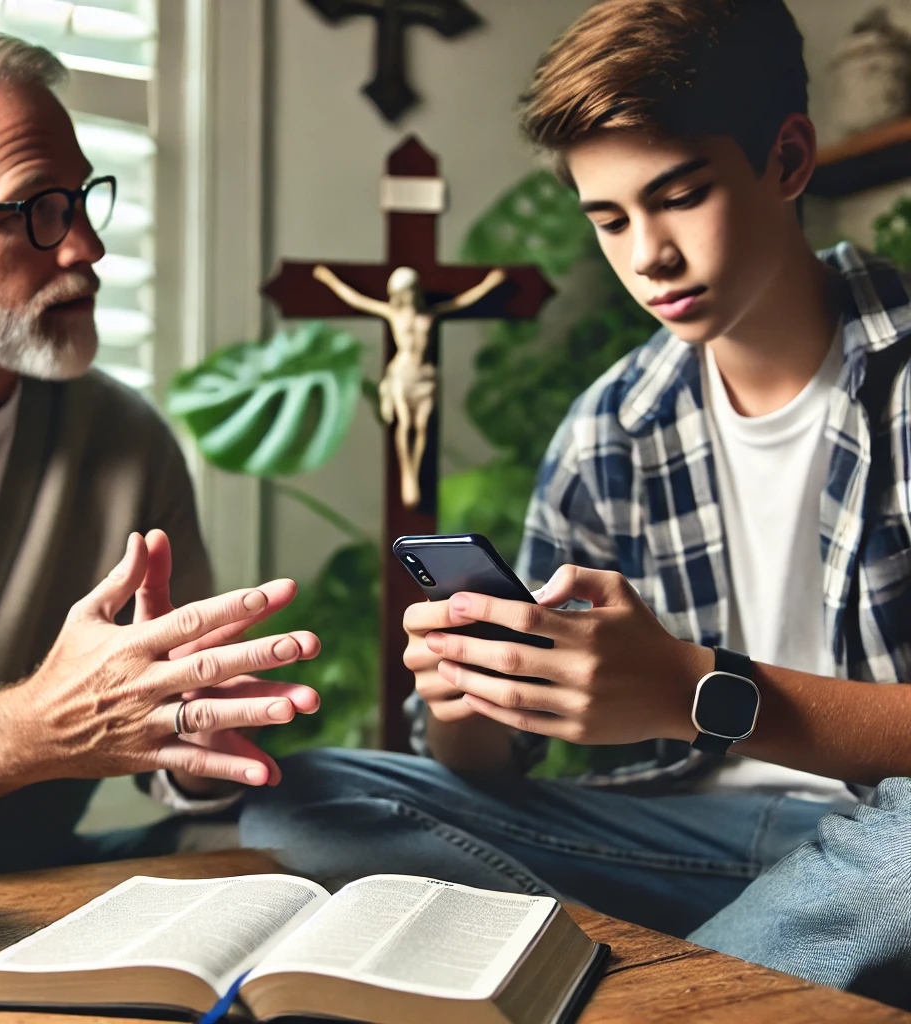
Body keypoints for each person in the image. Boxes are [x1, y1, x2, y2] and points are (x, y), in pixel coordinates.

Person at [240, 0, 911, 1006]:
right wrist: (477, 689)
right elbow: (490, 766)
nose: (647, 255)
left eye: (679, 197)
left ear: (786, 159)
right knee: (310, 798)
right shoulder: (612, 427)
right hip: (675, 835)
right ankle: (761, 963)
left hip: (885, 837)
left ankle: (637, 993)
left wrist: (692, 687)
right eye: (608, 219)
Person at [0, 22, 320, 874]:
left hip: (42, 891)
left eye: (83, 200)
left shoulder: (124, 441)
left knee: (336, 814)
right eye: (38, 209)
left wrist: (202, 731)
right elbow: (48, 726)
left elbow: (187, 769)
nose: (87, 247)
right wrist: (33, 728)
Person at [312, 264, 506, 507]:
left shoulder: (431, 314)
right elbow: (357, 300)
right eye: (408, 290)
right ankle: (408, 474)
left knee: (423, 425)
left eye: (415, 289)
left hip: (424, 375)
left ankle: (414, 470)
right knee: (404, 424)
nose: (412, 295)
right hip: (403, 374)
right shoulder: (392, 314)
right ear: (399, 294)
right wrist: (329, 278)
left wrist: (489, 283)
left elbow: (462, 302)